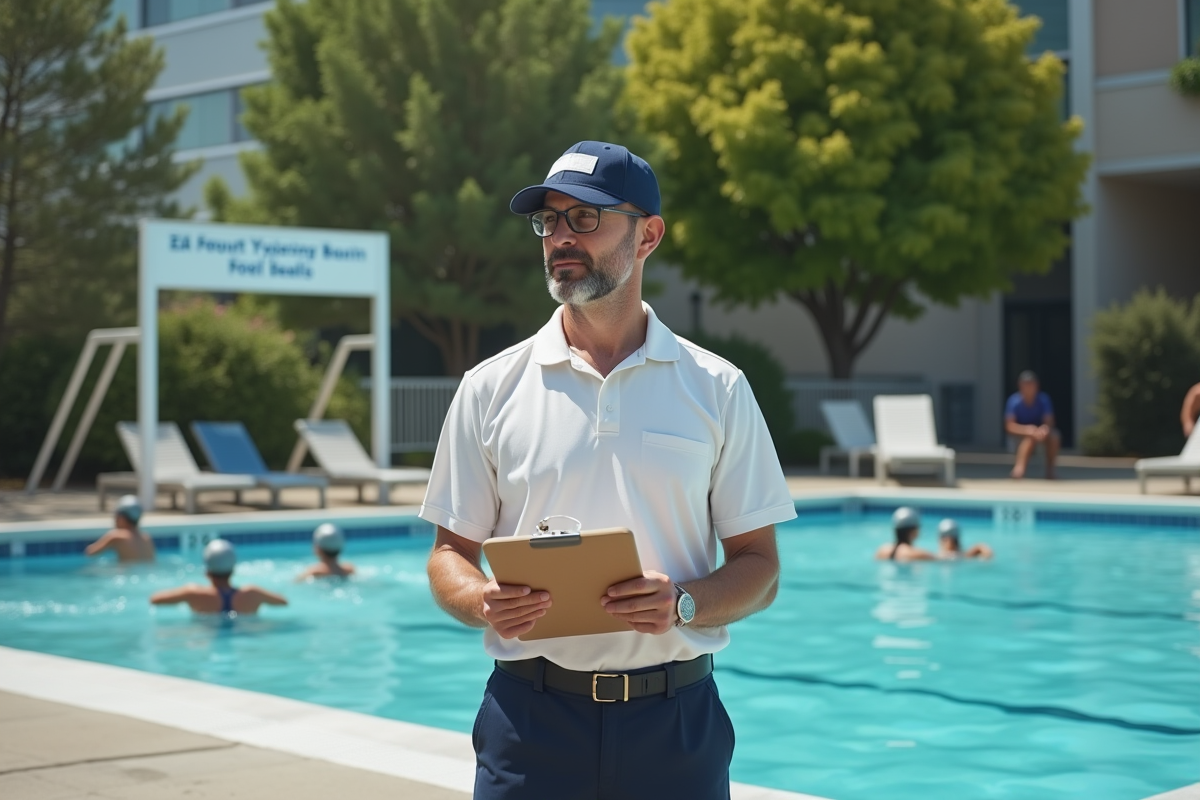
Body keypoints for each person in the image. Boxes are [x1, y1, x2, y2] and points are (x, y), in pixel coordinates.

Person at [421, 140, 796, 800]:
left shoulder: (718, 388)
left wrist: (684, 602)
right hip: (529, 724)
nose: (561, 237)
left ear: (648, 235)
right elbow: (449, 553)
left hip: (674, 725)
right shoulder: (489, 388)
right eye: (549, 221)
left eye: (585, 219)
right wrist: (482, 601)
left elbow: (760, 567)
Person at [150, 539, 287, 615]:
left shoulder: (193, 593)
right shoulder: (252, 593)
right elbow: (283, 602)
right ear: (233, 570)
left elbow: (155, 599)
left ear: (207, 572)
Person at [1004, 370, 1060, 480]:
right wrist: (1027, 430)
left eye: (1031, 384)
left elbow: (1049, 421)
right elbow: (1009, 426)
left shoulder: (1044, 399)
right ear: (1020, 386)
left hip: (1040, 433)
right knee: (1029, 439)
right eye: (1026, 384)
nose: (1029, 387)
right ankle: (1019, 469)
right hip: (1020, 435)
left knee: (1055, 436)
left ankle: (1050, 470)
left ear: (1036, 385)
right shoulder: (1014, 401)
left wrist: (1044, 429)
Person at [85, 495, 156, 563]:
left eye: (116, 515)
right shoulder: (146, 537)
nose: (115, 519)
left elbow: (90, 552)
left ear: (122, 518)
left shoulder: (116, 536)